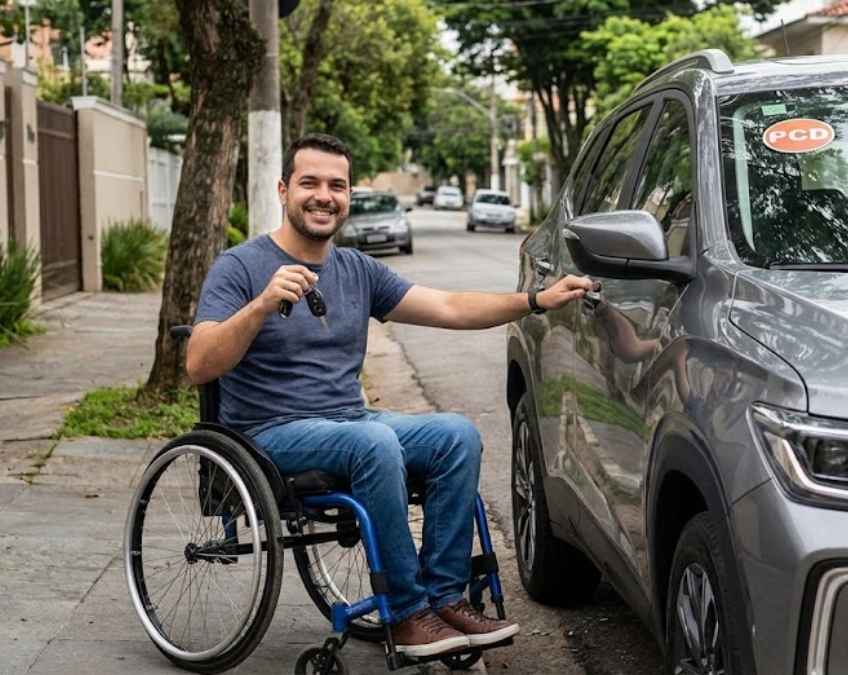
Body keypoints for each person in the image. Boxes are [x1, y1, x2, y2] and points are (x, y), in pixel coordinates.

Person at [186, 133, 592, 658]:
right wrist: (261, 305)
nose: (323, 195)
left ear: (349, 196)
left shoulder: (358, 270)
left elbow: (447, 306)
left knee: (455, 435)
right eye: (310, 183)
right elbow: (199, 363)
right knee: (373, 442)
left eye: (337, 185)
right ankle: (405, 613)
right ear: (284, 190)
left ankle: (444, 597)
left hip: (348, 419)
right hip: (269, 433)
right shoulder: (240, 267)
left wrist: (536, 299)